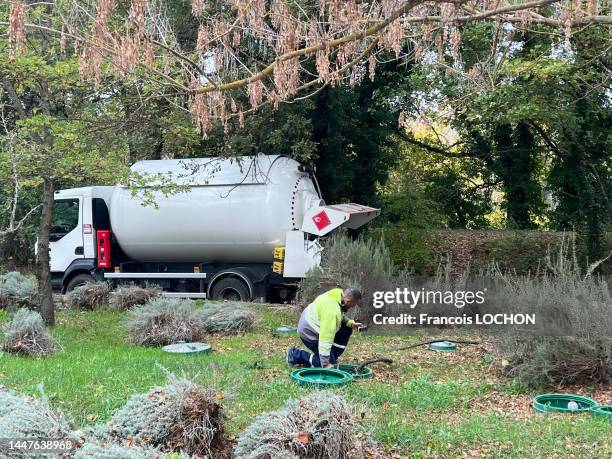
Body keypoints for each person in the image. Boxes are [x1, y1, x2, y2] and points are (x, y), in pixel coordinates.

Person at [287, 287, 362, 368]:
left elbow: (339, 314)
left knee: (347, 327)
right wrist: (325, 363)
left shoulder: (337, 295)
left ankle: (331, 356)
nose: (352, 307)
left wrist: (349, 322)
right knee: (326, 363)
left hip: (311, 325)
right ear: (348, 301)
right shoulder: (332, 312)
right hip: (308, 332)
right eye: (352, 305)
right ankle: (294, 354)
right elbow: (325, 339)